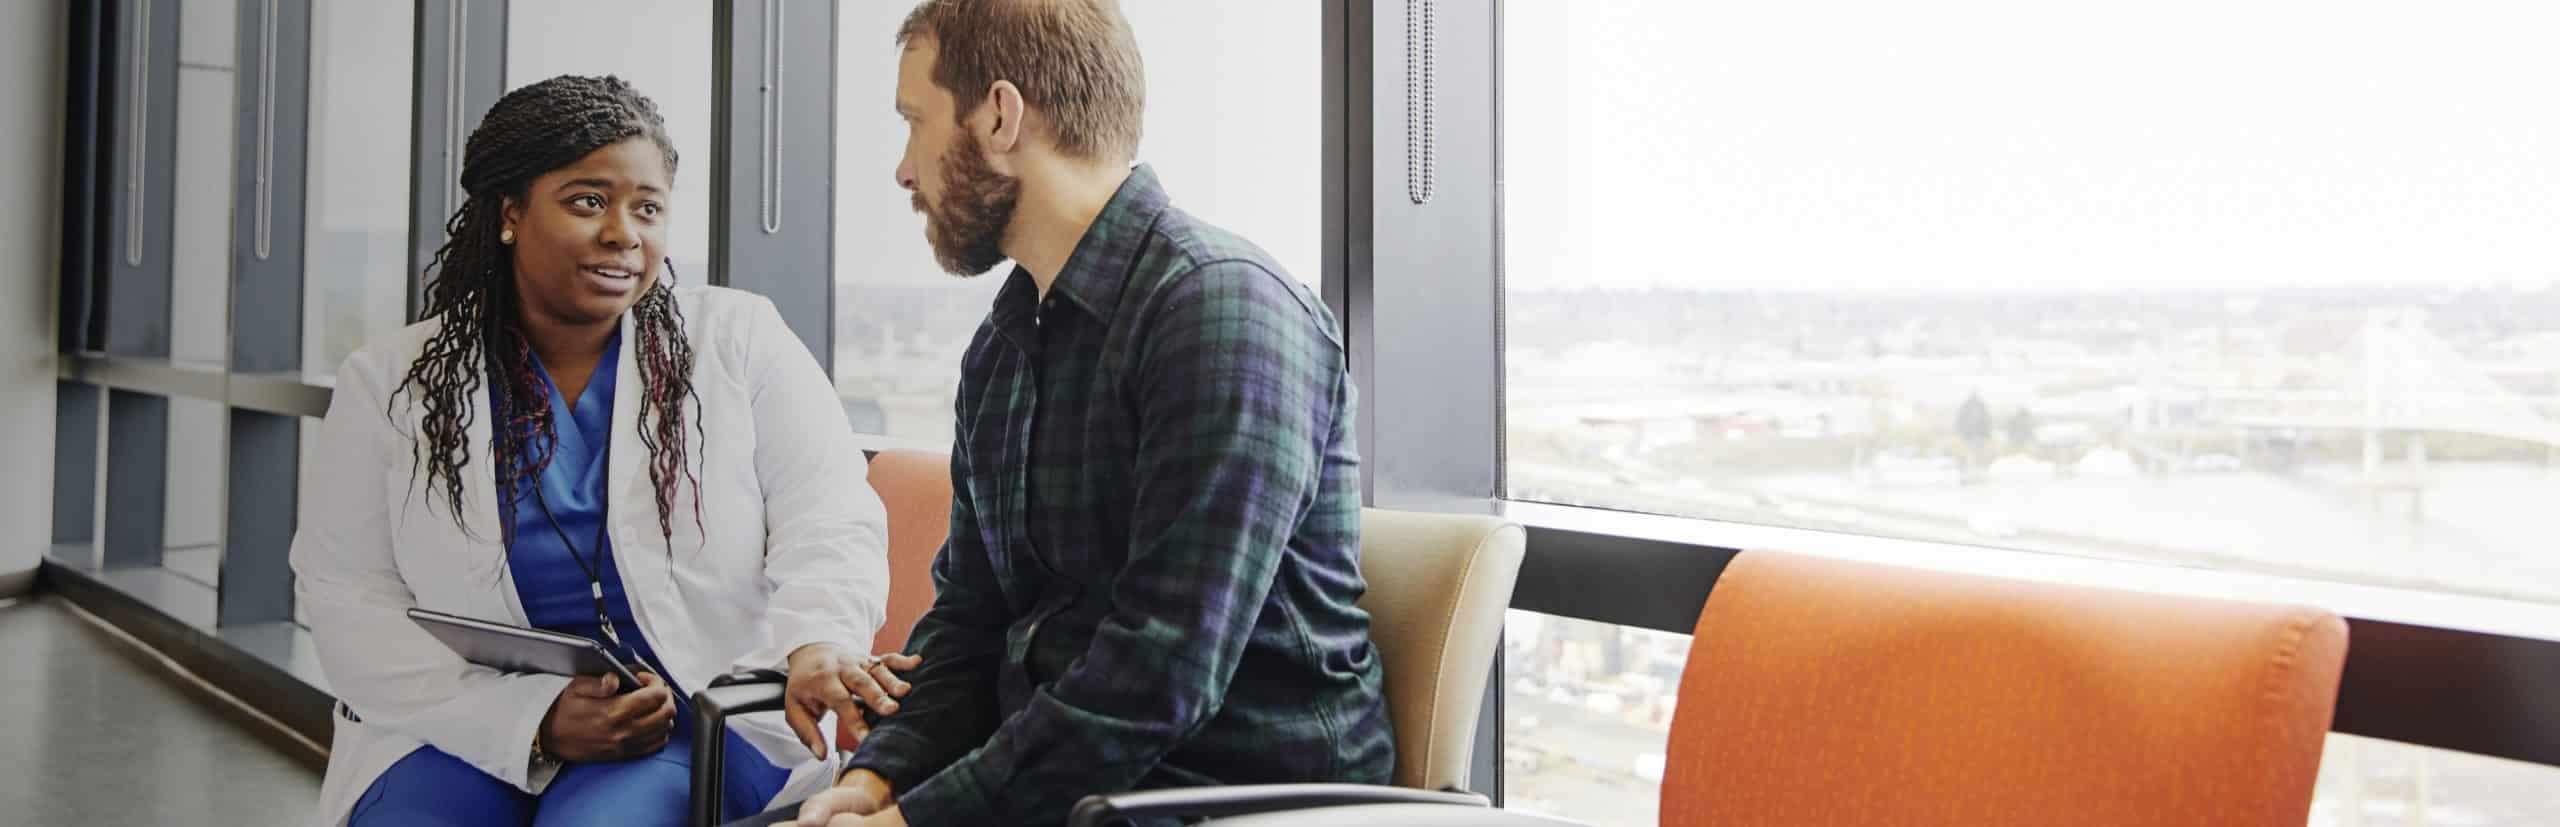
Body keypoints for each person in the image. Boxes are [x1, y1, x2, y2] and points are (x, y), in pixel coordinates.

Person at [798, 2, 1392, 825]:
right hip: (1068, 788)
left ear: (1000, 116)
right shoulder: (1003, 351)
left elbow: (1162, 670)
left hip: (1231, 799)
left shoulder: (1222, 311)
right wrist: (875, 783)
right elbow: (969, 621)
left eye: (914, 122)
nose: (904, 169)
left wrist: (918, 821)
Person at [291, 75, 916, 827]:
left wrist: (818, 639)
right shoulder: (392, 385)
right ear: (511, 213)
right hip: (463, 722)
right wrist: (536, 718)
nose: (625, 232)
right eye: (589, 201)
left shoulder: (738, 342)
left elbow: (831, 521)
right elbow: (345, 596)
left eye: (647, 208)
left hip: (697, 721)